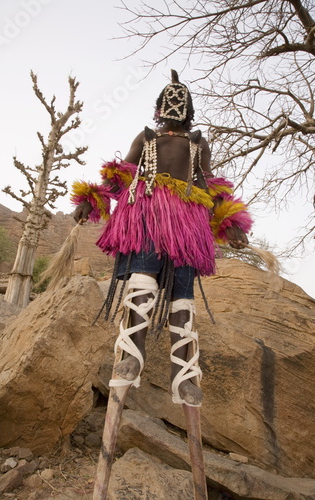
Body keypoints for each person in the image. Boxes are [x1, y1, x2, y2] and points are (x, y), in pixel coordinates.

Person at [72, 70, 252, 407]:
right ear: (158, 109)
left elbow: (211, 185)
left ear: (189, 110)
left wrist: (232, 223)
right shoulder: (145, 140)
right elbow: (120, 177)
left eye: (180, 101)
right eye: (169, 101)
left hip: (188, 226)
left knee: (182, 295)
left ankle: (182, 375)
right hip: (147, 217)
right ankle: (132, 354)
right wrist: (88, 200)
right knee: (142, 281)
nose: (174, 107)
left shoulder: (199, 144)